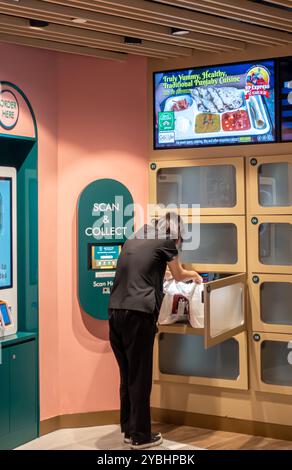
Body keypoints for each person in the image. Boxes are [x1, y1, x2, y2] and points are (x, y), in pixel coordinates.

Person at [108, 213, 202, 449]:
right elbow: (179, 274)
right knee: (140, 376)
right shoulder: (166, 242)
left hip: (115, 311)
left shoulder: (134, 239)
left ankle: (129, 430)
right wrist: (196, 276)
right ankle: (141, 436)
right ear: (176, 232)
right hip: (138, 315)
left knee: (127, 374)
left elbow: (146, 272)